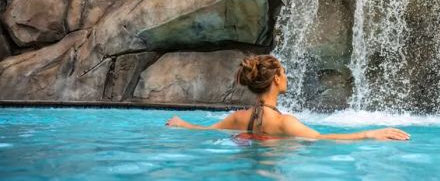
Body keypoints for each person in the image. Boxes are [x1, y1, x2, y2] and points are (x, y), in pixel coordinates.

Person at [165, 54, 410, 141]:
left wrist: (181, 124)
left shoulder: (238, 118)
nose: (287, 76)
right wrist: (370, 133)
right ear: (276, 79)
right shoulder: (284, 123)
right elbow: (324, 138)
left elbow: (206, 131)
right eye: (284, 72)